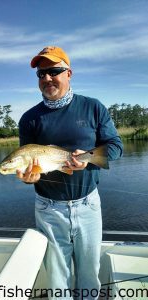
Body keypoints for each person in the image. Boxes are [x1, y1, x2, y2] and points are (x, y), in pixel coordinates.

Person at [17, 46, 123, 300]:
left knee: (89, 275)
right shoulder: (29, 119)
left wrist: (88, 160)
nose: (47, 78)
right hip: (48, 210)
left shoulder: (92, 107)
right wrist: (27, 177)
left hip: (88, 205)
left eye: (54, 71)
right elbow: (29, 164)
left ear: (69, 73)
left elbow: (115, 147)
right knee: (57, 280)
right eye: (41, 74)